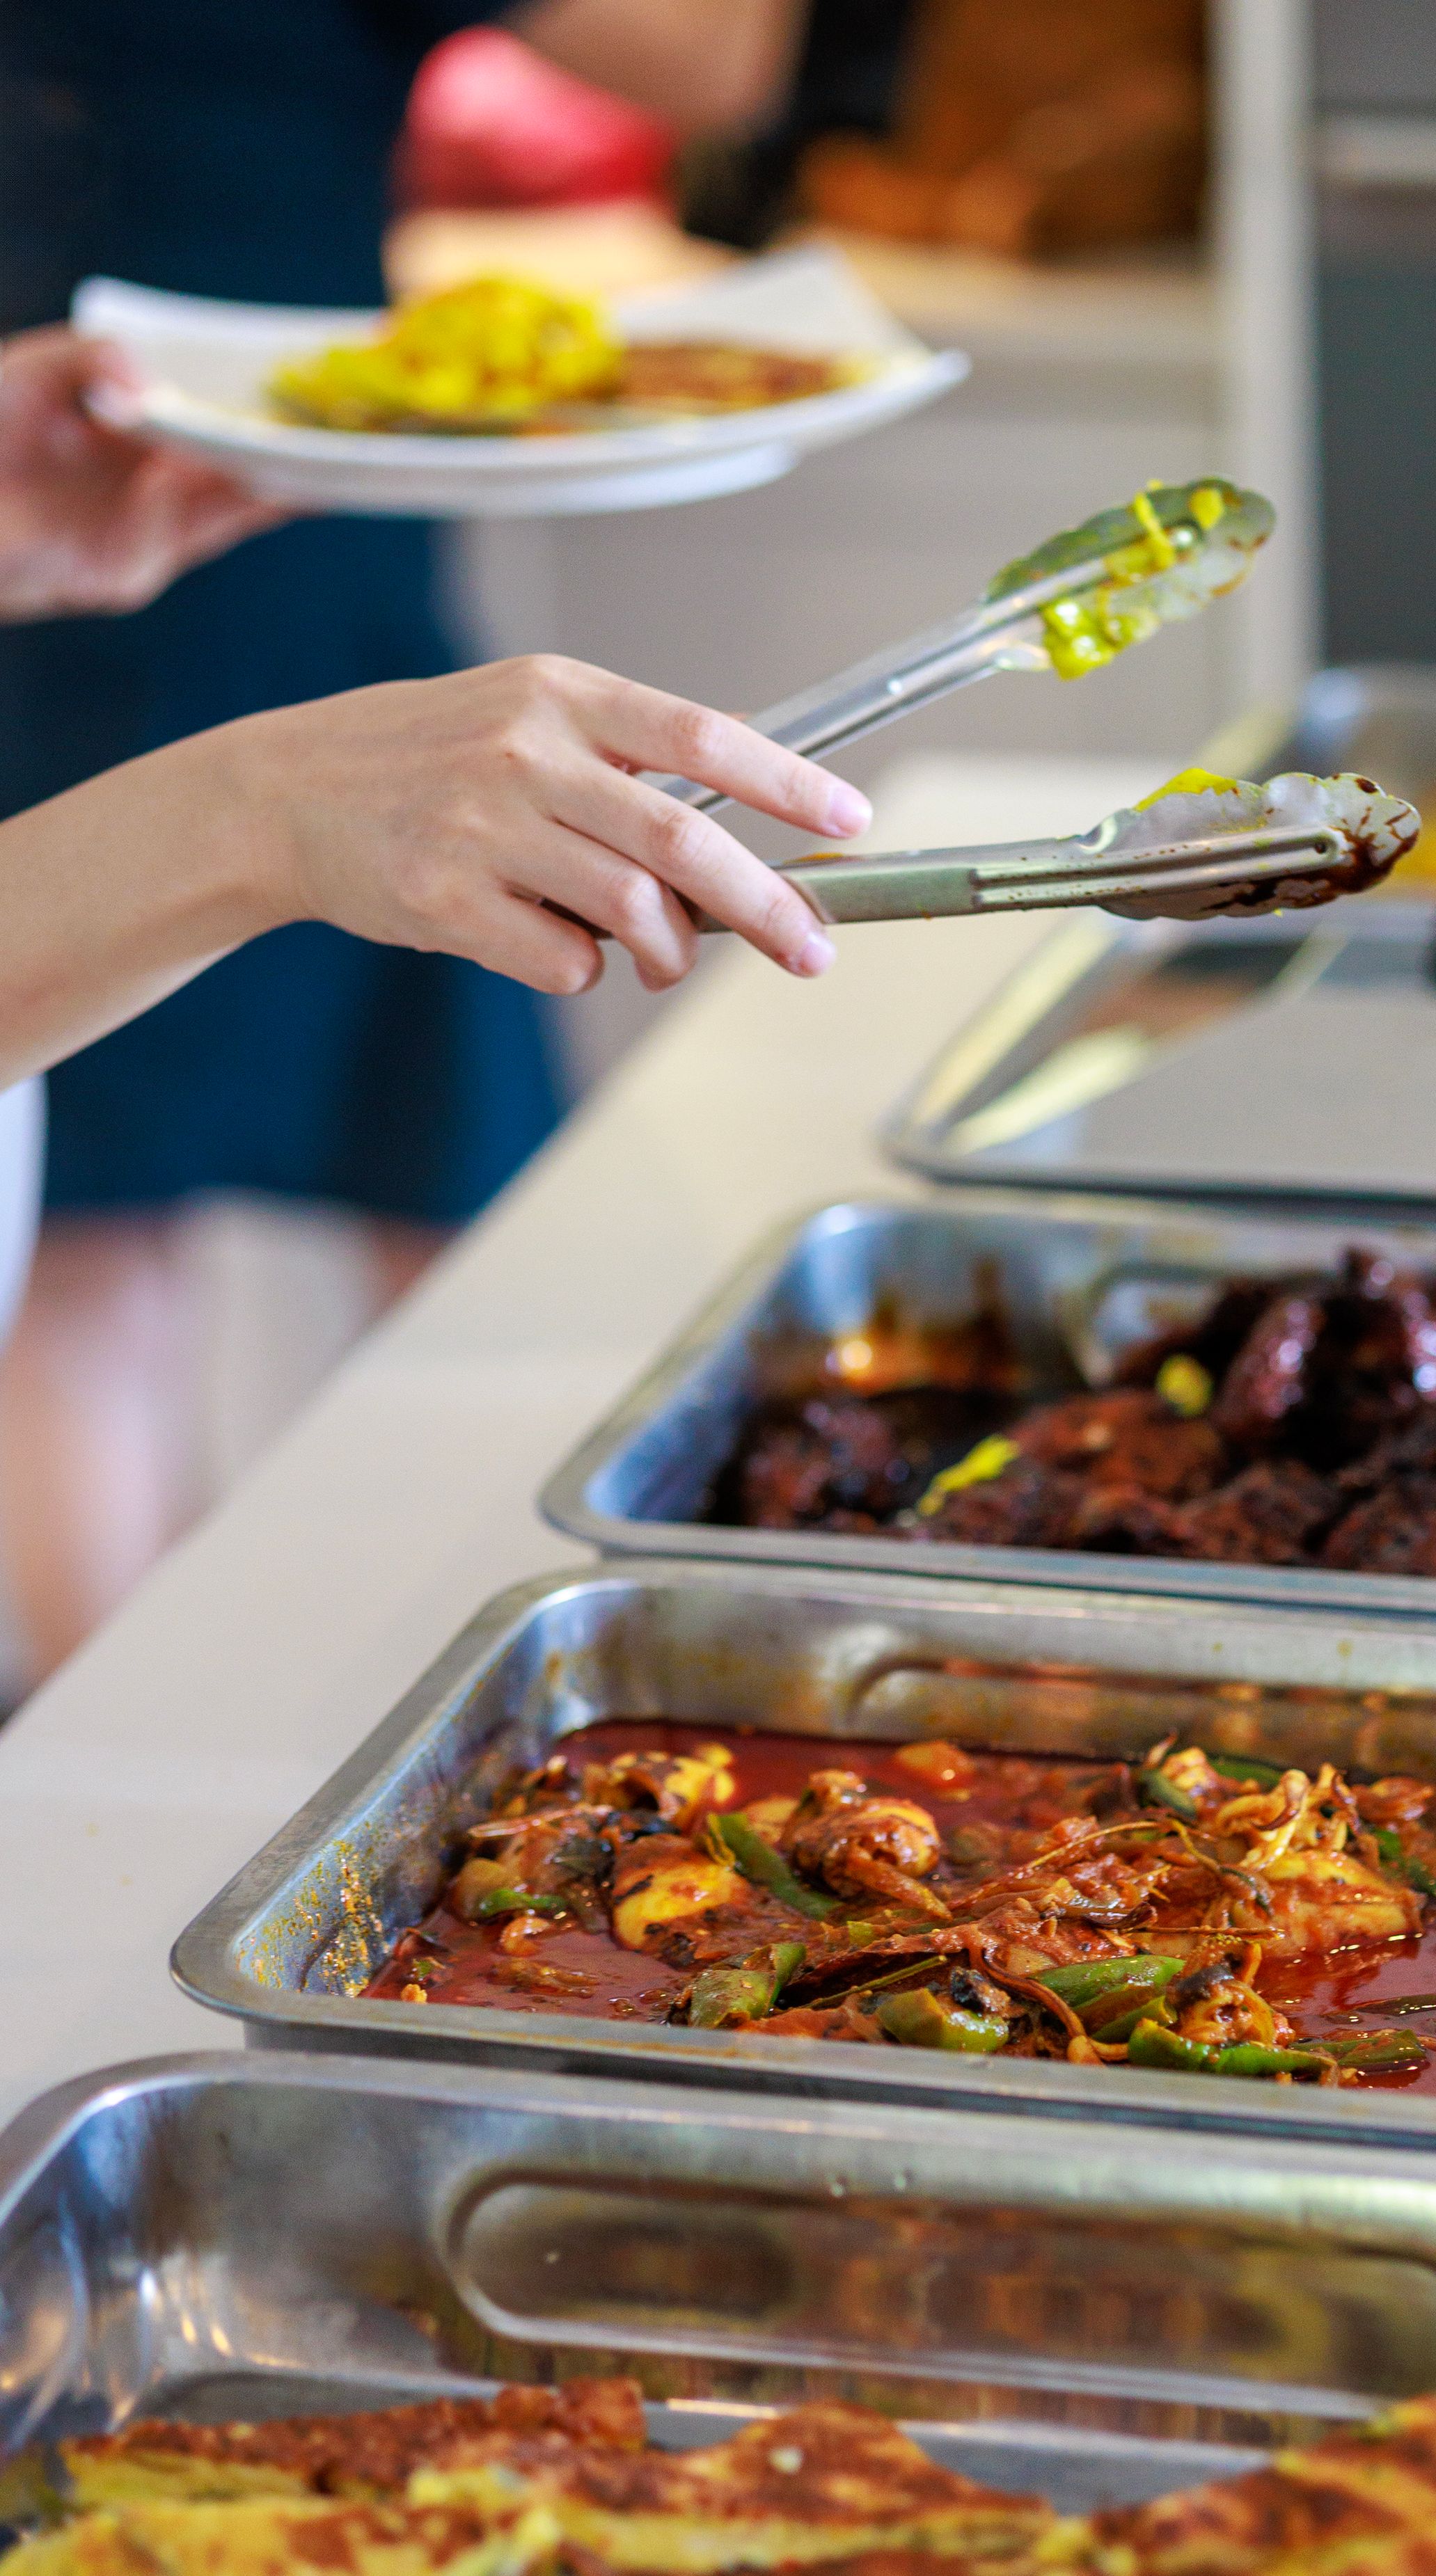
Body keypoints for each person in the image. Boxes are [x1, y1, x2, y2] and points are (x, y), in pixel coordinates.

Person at [0, 0, 812, 1676]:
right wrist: (251, 814)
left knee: (430, 1161)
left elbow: (702, 55)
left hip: (196, 492)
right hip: (175, 526)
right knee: (103, 1234)